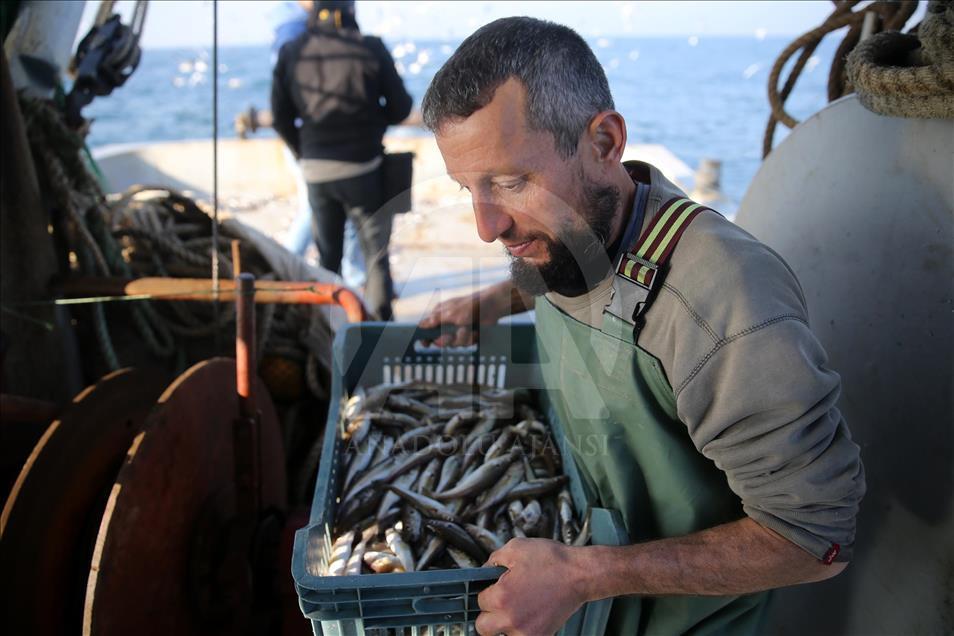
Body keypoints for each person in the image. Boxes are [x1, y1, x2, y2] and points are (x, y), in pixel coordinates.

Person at [418, 17, 865, 636]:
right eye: (469, 187)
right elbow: (573, 269)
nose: (486, 226)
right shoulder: (579, 228)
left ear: (603, 142)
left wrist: (583, 577)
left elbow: (816, 539)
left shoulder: (725, 306)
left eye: (511, 181)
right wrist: (494, 301)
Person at [271, 0, 411, 320]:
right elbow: (401, 107)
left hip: (316, 171)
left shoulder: (291, 51)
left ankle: (328, 330)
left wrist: (304, 152)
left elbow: (281, 118)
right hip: (364, 167)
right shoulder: (370, 47)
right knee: (375, 258)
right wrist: (373, 126)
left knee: (328, 257)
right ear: (351, 10)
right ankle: (378, 337)